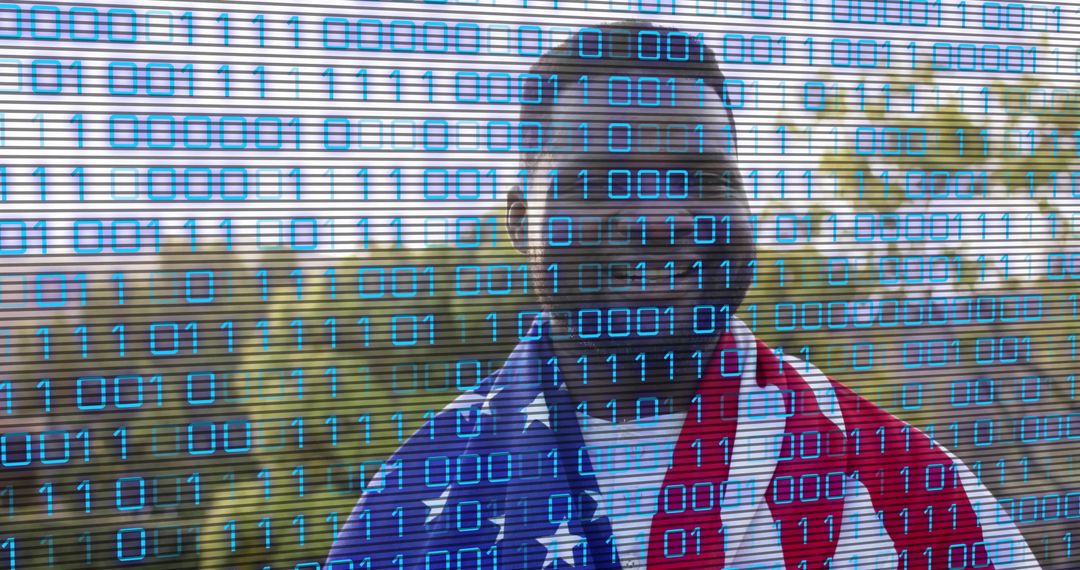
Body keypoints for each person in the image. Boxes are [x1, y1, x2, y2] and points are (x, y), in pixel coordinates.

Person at [326, 20, 1037, 570]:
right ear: (520, 222)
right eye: (603, 181)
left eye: (704, 177)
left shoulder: (907, 489)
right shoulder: (416, 501)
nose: (663, 219)